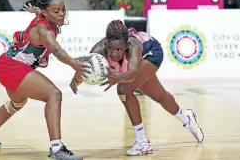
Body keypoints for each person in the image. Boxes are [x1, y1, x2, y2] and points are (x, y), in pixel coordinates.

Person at [0, 0, 89, 160]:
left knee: (18, 102)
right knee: (54, 94)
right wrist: (74, 64)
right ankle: (57, 148)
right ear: (45, 12)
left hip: (6, 65)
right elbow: (56, 50)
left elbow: (40, 13)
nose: (62, 14)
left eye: (63, 9)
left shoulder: (43, 17)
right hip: (12, 67)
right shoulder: (44, 30)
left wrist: (37, 10)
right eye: (56, 11)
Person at [70, 20, 204, 156]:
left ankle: (142, 142)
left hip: (152, 54)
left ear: (126, 44)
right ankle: (187, 119)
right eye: (110, 49)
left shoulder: (134, 45)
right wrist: (77, 78)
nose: (114, 54)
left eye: (119, 50)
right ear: (106, 43)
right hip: (133, 65)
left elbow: (132, 74)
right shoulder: (97, 52)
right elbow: (87, 68)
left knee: (124, 89)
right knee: (160, 96)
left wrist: (118, 78)